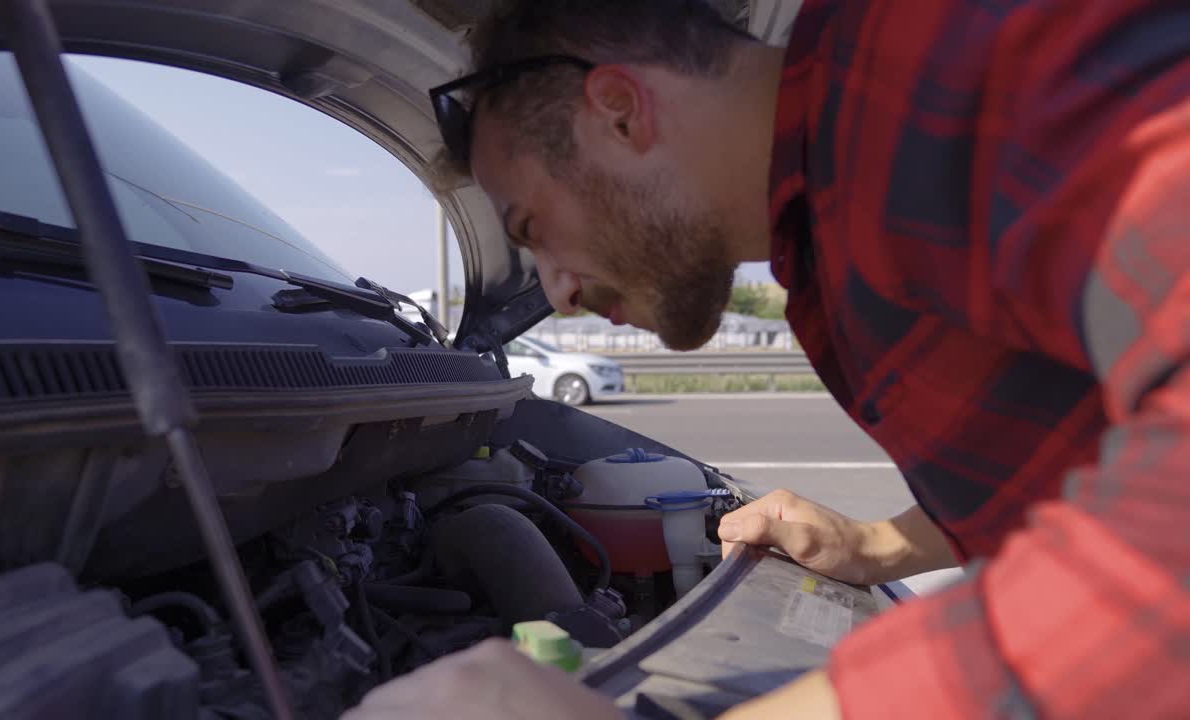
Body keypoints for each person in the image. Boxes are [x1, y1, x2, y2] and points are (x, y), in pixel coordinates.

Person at [348, 0, 1189, 717]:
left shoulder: (959, 52)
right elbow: (1098, 453)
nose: (557, 292)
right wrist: (883, 546)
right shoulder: (828, 235)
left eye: (532, 227)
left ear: (621, 112)